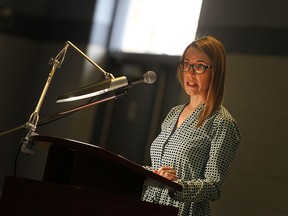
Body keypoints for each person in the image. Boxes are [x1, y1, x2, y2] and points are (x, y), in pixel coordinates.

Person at [142, 35, 241, 216]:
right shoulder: (174, 113)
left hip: (183, 210)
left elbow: (213, 186)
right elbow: (161, 167)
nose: (190, 73)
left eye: (200, 66)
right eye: (186, 64)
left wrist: (175, 186)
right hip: (149, 204)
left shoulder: (222, 122)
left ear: (216, 71)